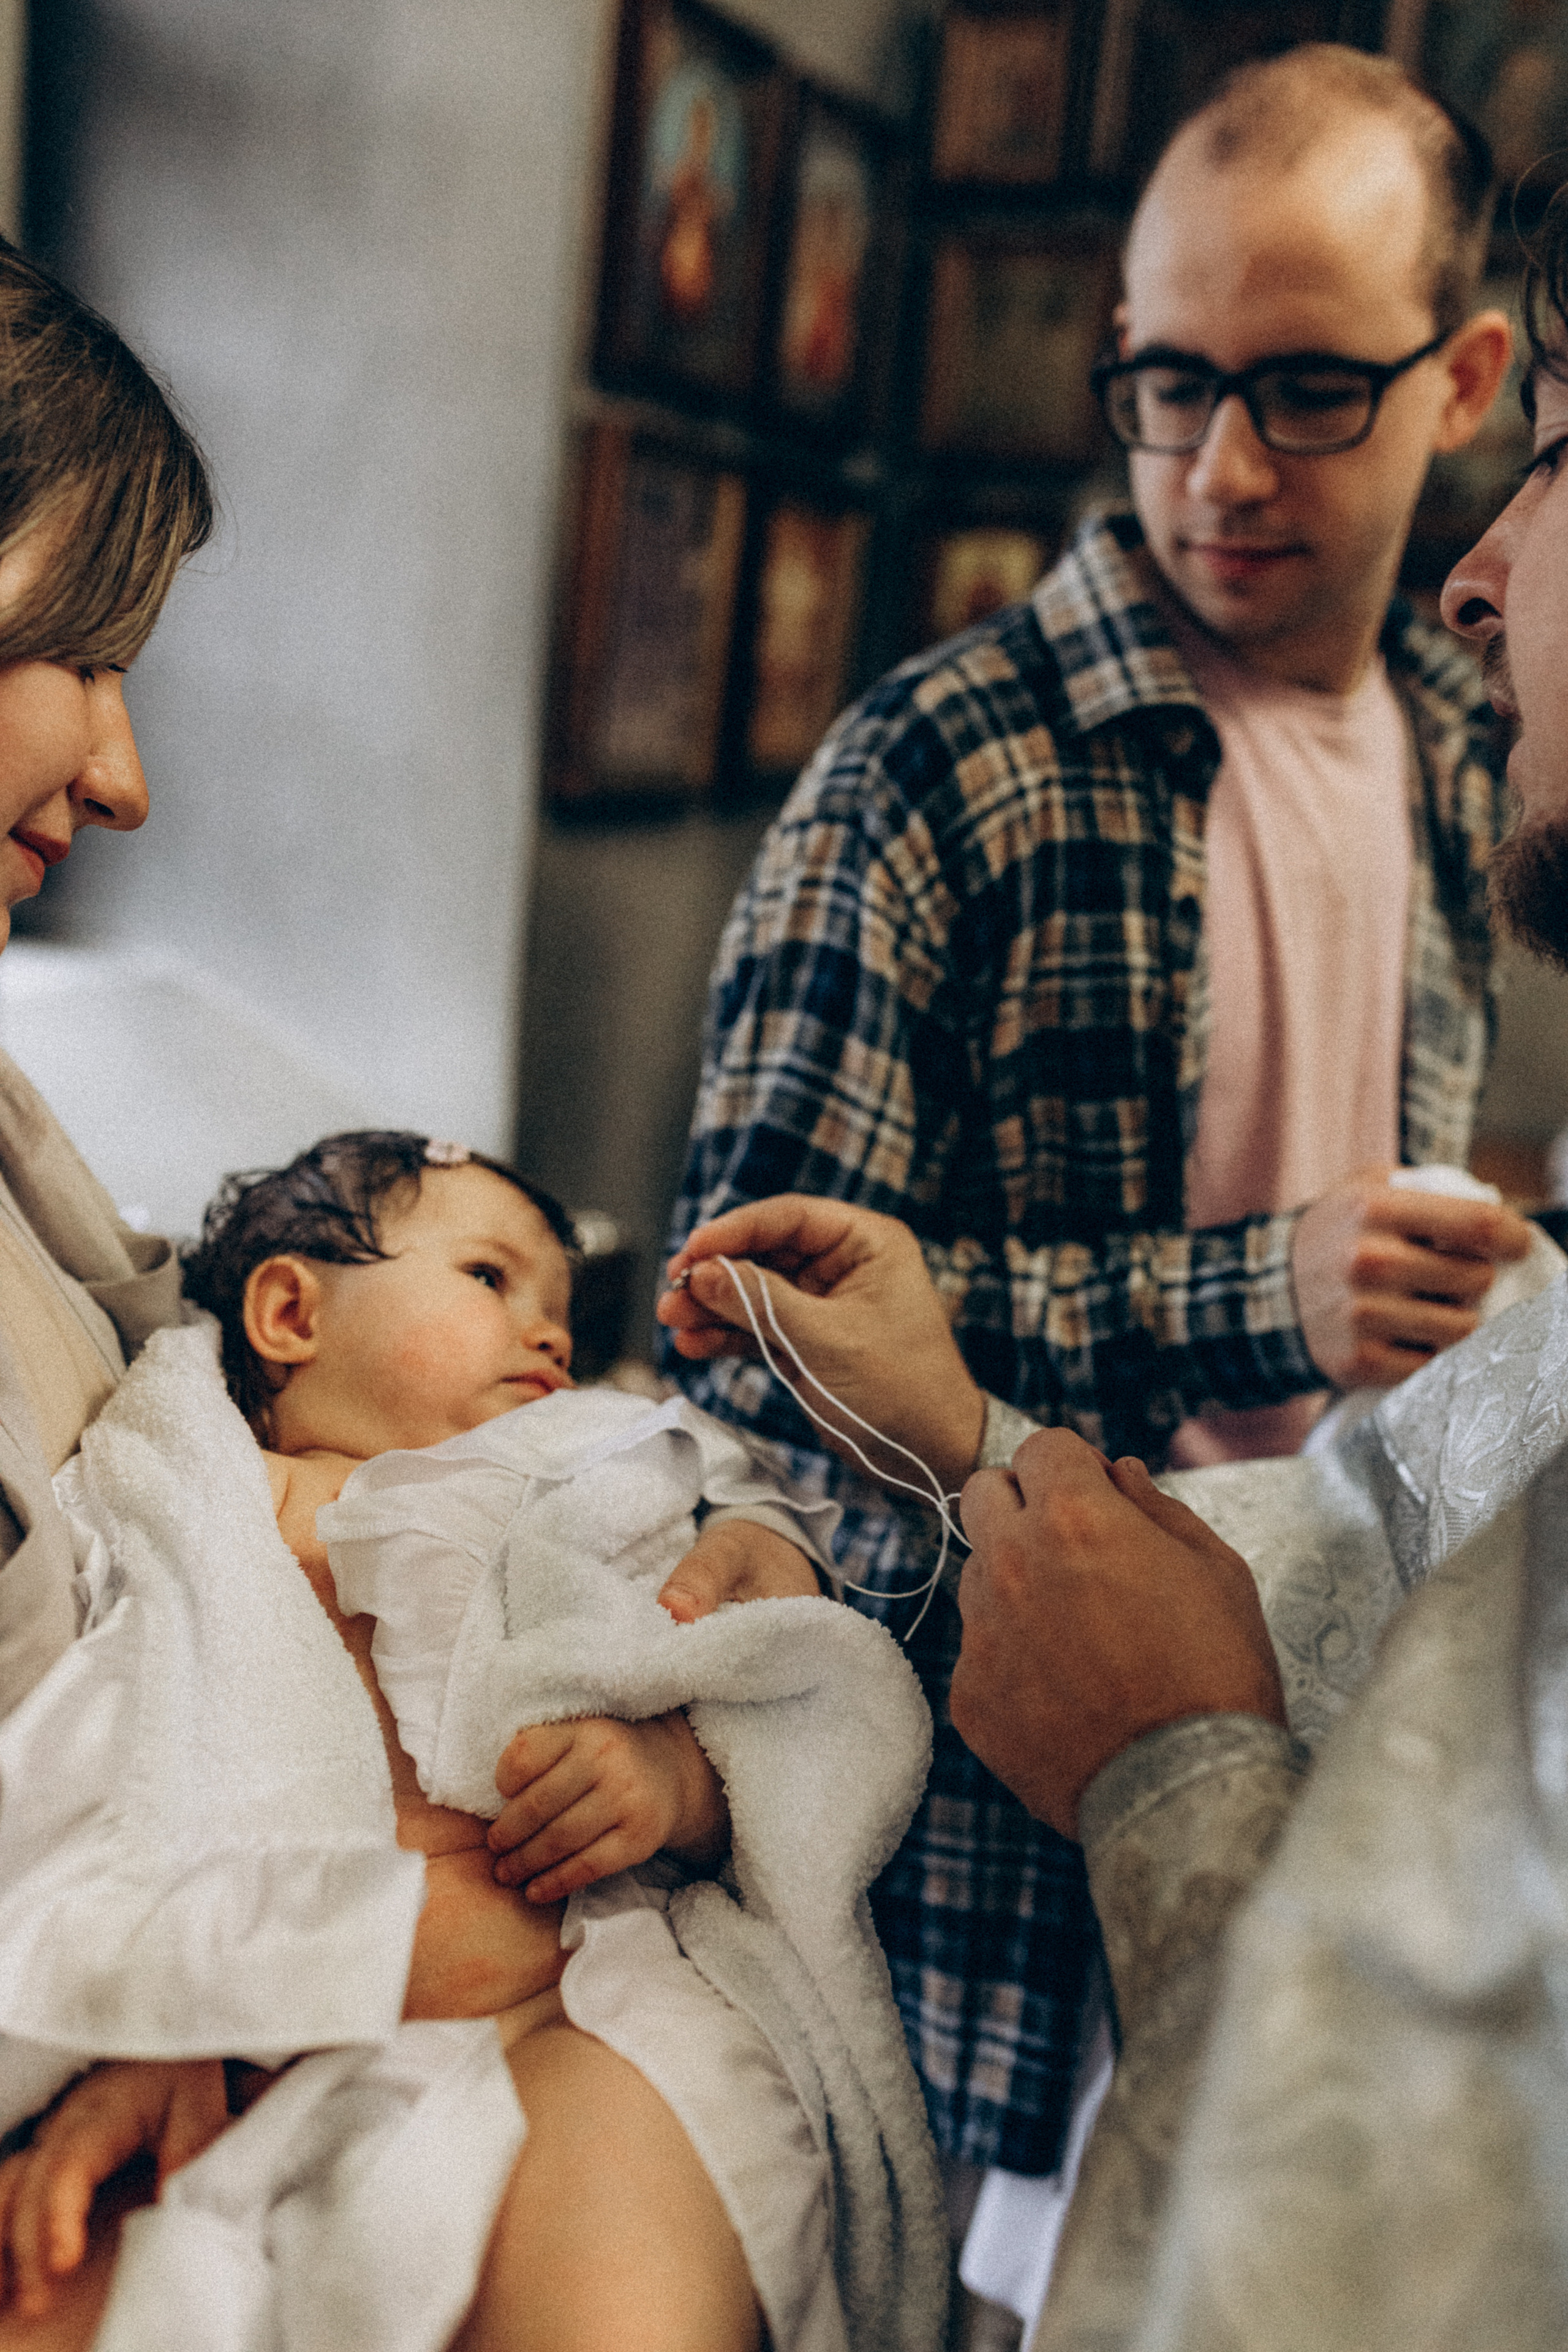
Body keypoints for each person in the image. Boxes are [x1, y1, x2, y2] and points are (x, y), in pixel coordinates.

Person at [661, 169, 1568, 2351]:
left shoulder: (1472, 766)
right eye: (1166, 385)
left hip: (1291, 1846)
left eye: (1309, 390)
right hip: (1000, 1838)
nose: (1220, 466)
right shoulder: (929, 765)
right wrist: (1250, 1296)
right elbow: (738, 1345)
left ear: (1458, 384)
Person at [0, 1128, 943, 2352]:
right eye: (490, 1279)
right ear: (291, 1311)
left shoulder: (583, 1479)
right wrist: (152, 2016)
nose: (549, 1332)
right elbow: (130, 1740)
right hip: (274, 2039)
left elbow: (776, 1708)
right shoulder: (201, 1502)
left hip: (572, 2011)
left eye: (556, 1305)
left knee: (612, 2284)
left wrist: (667, 1782)